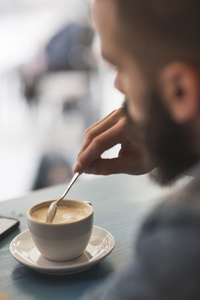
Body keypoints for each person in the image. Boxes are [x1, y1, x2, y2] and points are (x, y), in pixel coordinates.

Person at [72, 0, 200, 299]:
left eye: (120, 67)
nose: (118, 86)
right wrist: (173, 135)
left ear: (180, 89)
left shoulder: (185, 234)